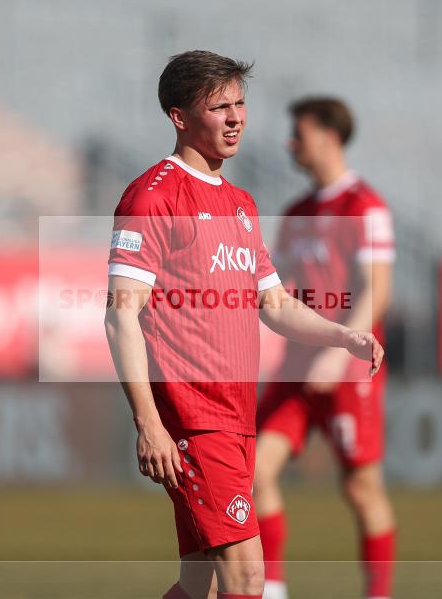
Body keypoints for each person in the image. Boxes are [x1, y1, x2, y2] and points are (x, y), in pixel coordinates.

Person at [104, 54, 384, 599]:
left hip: (237, 417)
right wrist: (148, 422)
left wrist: (342, 335)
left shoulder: (240, 204)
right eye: (219, 107)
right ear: (179, 116)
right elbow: (121, 316)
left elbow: (275, 305)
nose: (235, 119)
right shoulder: (154, 197)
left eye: (239, 104)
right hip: (193, 418)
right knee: (248, 577)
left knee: (201, 584)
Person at [254, 98, 397, 599]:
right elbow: (275, 287)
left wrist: (341, 353)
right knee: (253, 471)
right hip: (296, 367)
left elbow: (378, 288)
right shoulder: (296, 213)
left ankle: (377, 594)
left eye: (299, 134)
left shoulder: (366, 208)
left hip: (348, 367)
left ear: (329, 138)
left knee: (361, 488)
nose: (291, 143)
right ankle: (271, 590)